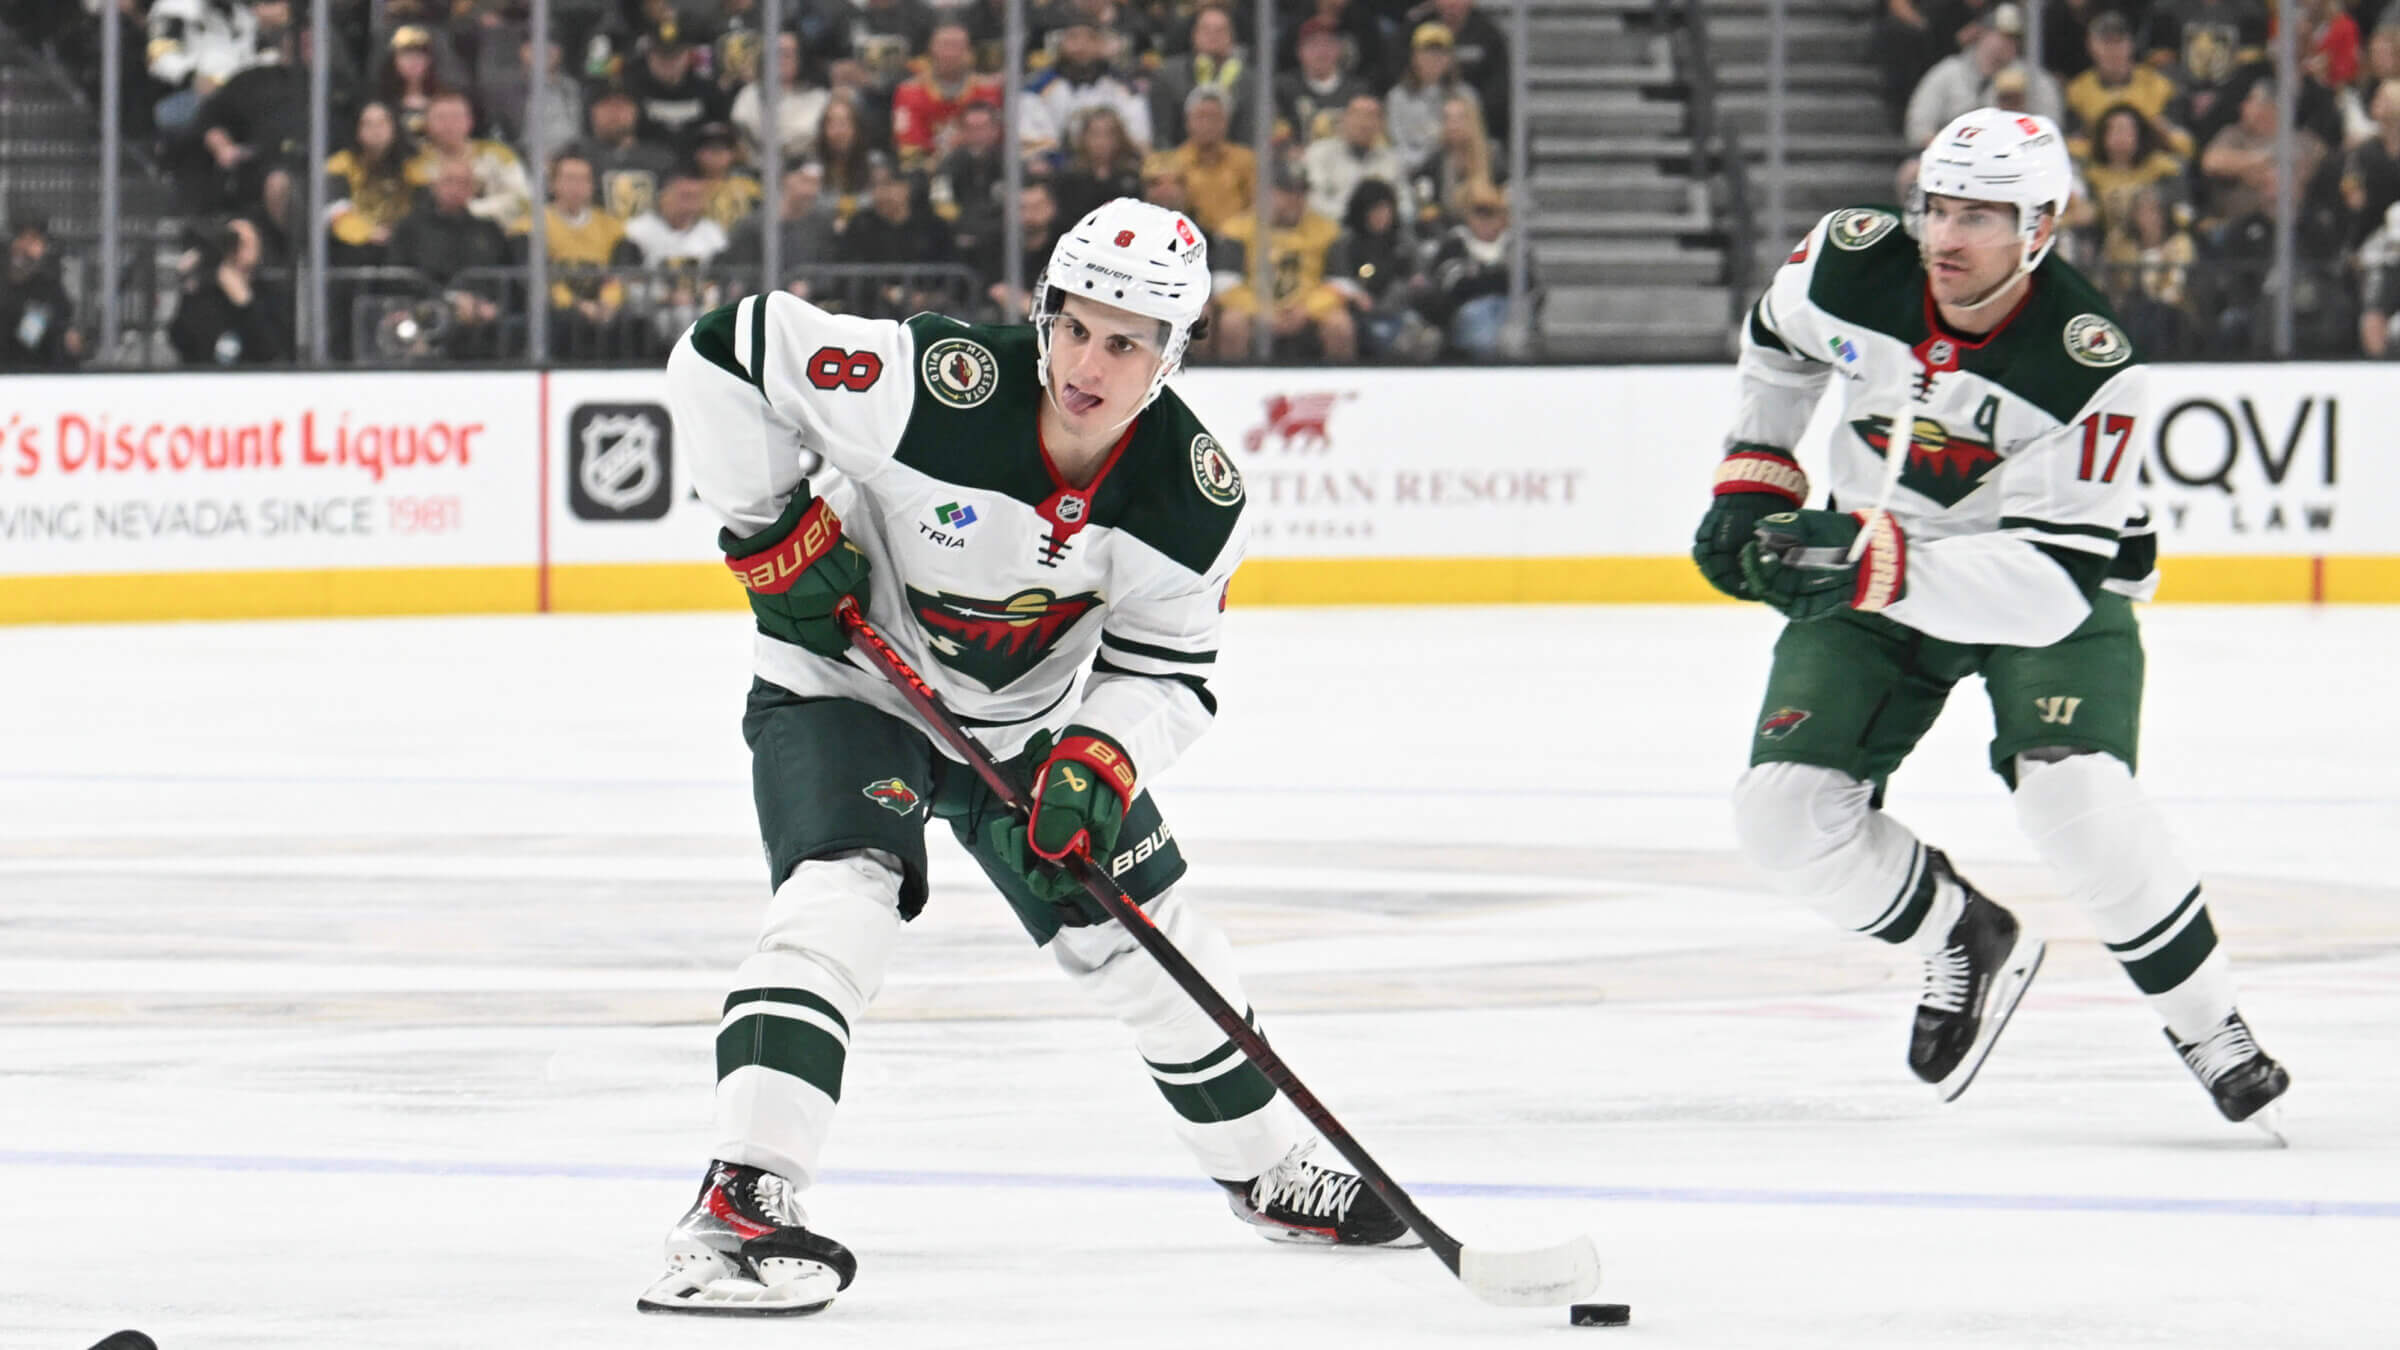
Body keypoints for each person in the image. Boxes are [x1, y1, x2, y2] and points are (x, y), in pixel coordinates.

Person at [640, 195, 1417, 1316]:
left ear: (1172, 354)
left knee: (1147, 934)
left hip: (1027, 726)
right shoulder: (932, 385)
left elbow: (1169, 673)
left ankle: (1265, 1171)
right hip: (849, 678)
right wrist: (767, 529)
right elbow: (727, 350)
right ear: (1045, 311)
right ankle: (741, 1198)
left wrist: (1098, 757)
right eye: (1073, 326)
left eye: (1125, 345)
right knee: (842, 892)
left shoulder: (1191, 498)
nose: (1085, 366)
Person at [1693, 108, 2290, 1134]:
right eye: (1935, 206)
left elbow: (2050, 585)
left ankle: (2210, 1027)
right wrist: (1757, 470)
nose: (1945, 236)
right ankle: (1958, 936)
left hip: (2043, 582)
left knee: (2077, 798)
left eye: (1978, 216)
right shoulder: (1850, 262)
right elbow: (1777, 341)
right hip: (1878, 569)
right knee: (1781, 815)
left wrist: (1876, 565)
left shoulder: (2088, 362)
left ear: (2040, 229)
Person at [167, 216, 290, 366]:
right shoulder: (205, 291)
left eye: (247, 241)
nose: (239, 247)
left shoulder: (270, 293)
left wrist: (246, 303)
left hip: (251, 375)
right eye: (233, 240)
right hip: (206, 374)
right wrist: (188, 286)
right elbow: (180, 339)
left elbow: (272, 351)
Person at [0, 217, 84, 369]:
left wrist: (69, 338)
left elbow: (29, 339)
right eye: (21, 239)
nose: (24, 248)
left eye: (33, 241)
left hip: (37, 373)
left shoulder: (49, 291)